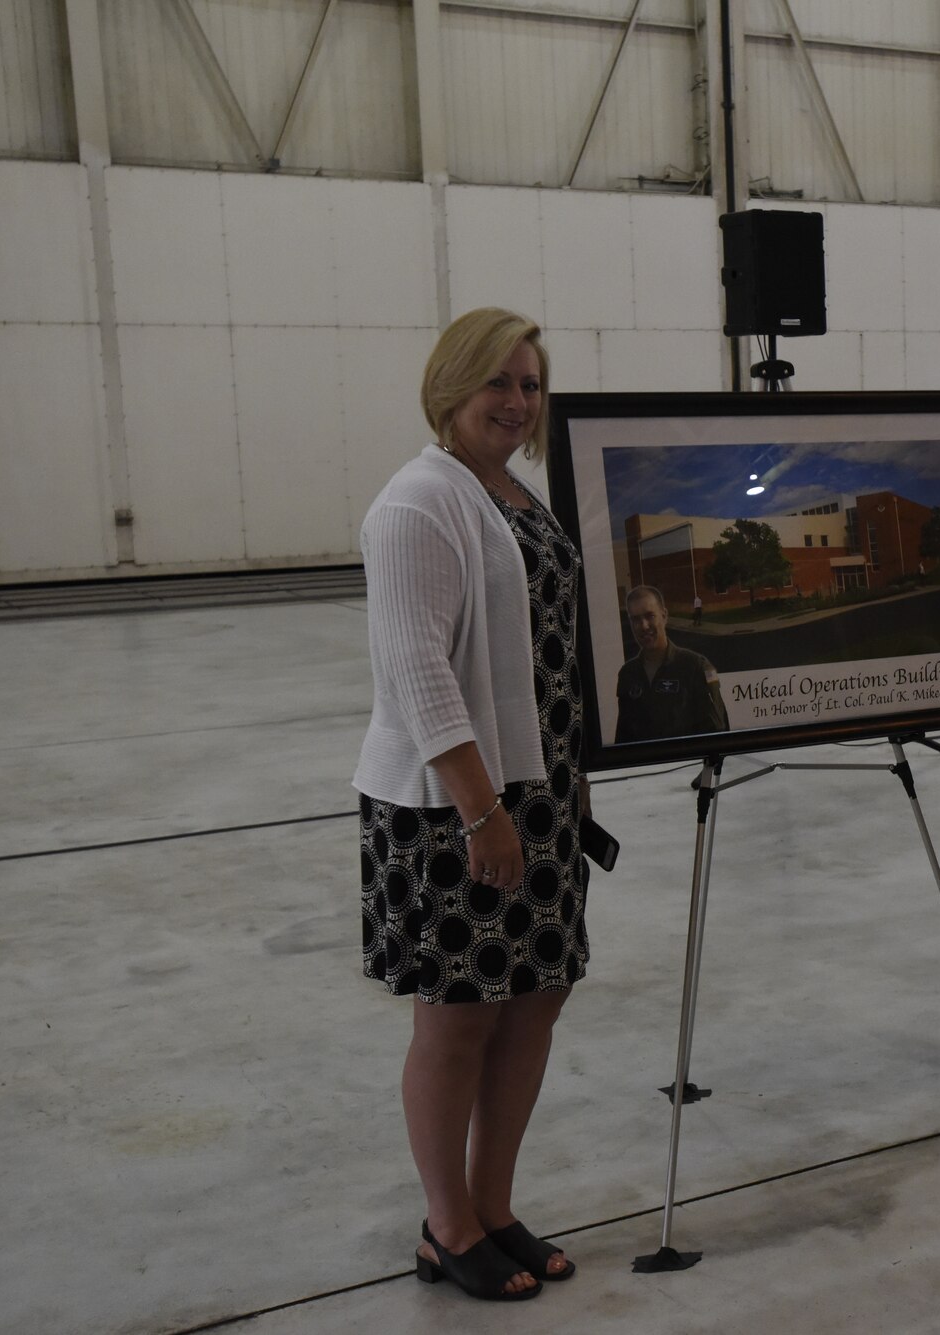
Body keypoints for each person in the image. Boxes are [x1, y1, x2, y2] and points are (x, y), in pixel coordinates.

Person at [354, 307, 586, 1302]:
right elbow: (416, 672)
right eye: (498, 381)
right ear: (450, 385)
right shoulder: (418, 503)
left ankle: (493, 1205)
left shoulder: (513, 495)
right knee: (458, 1016)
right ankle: (445, 1222)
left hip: (542, 795)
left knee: (533, 998)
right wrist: (482, 812)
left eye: (529, 384)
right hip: (456, 806)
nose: (516, 400)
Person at [613, 585, 730, 743]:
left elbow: (717, 732)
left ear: (664, 616)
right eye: (636, 619)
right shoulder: (627, 673)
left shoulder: (696, 667)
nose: (644, 626)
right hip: (643, 767)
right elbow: (623, 738)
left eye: (650, 616)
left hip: (688, 766)